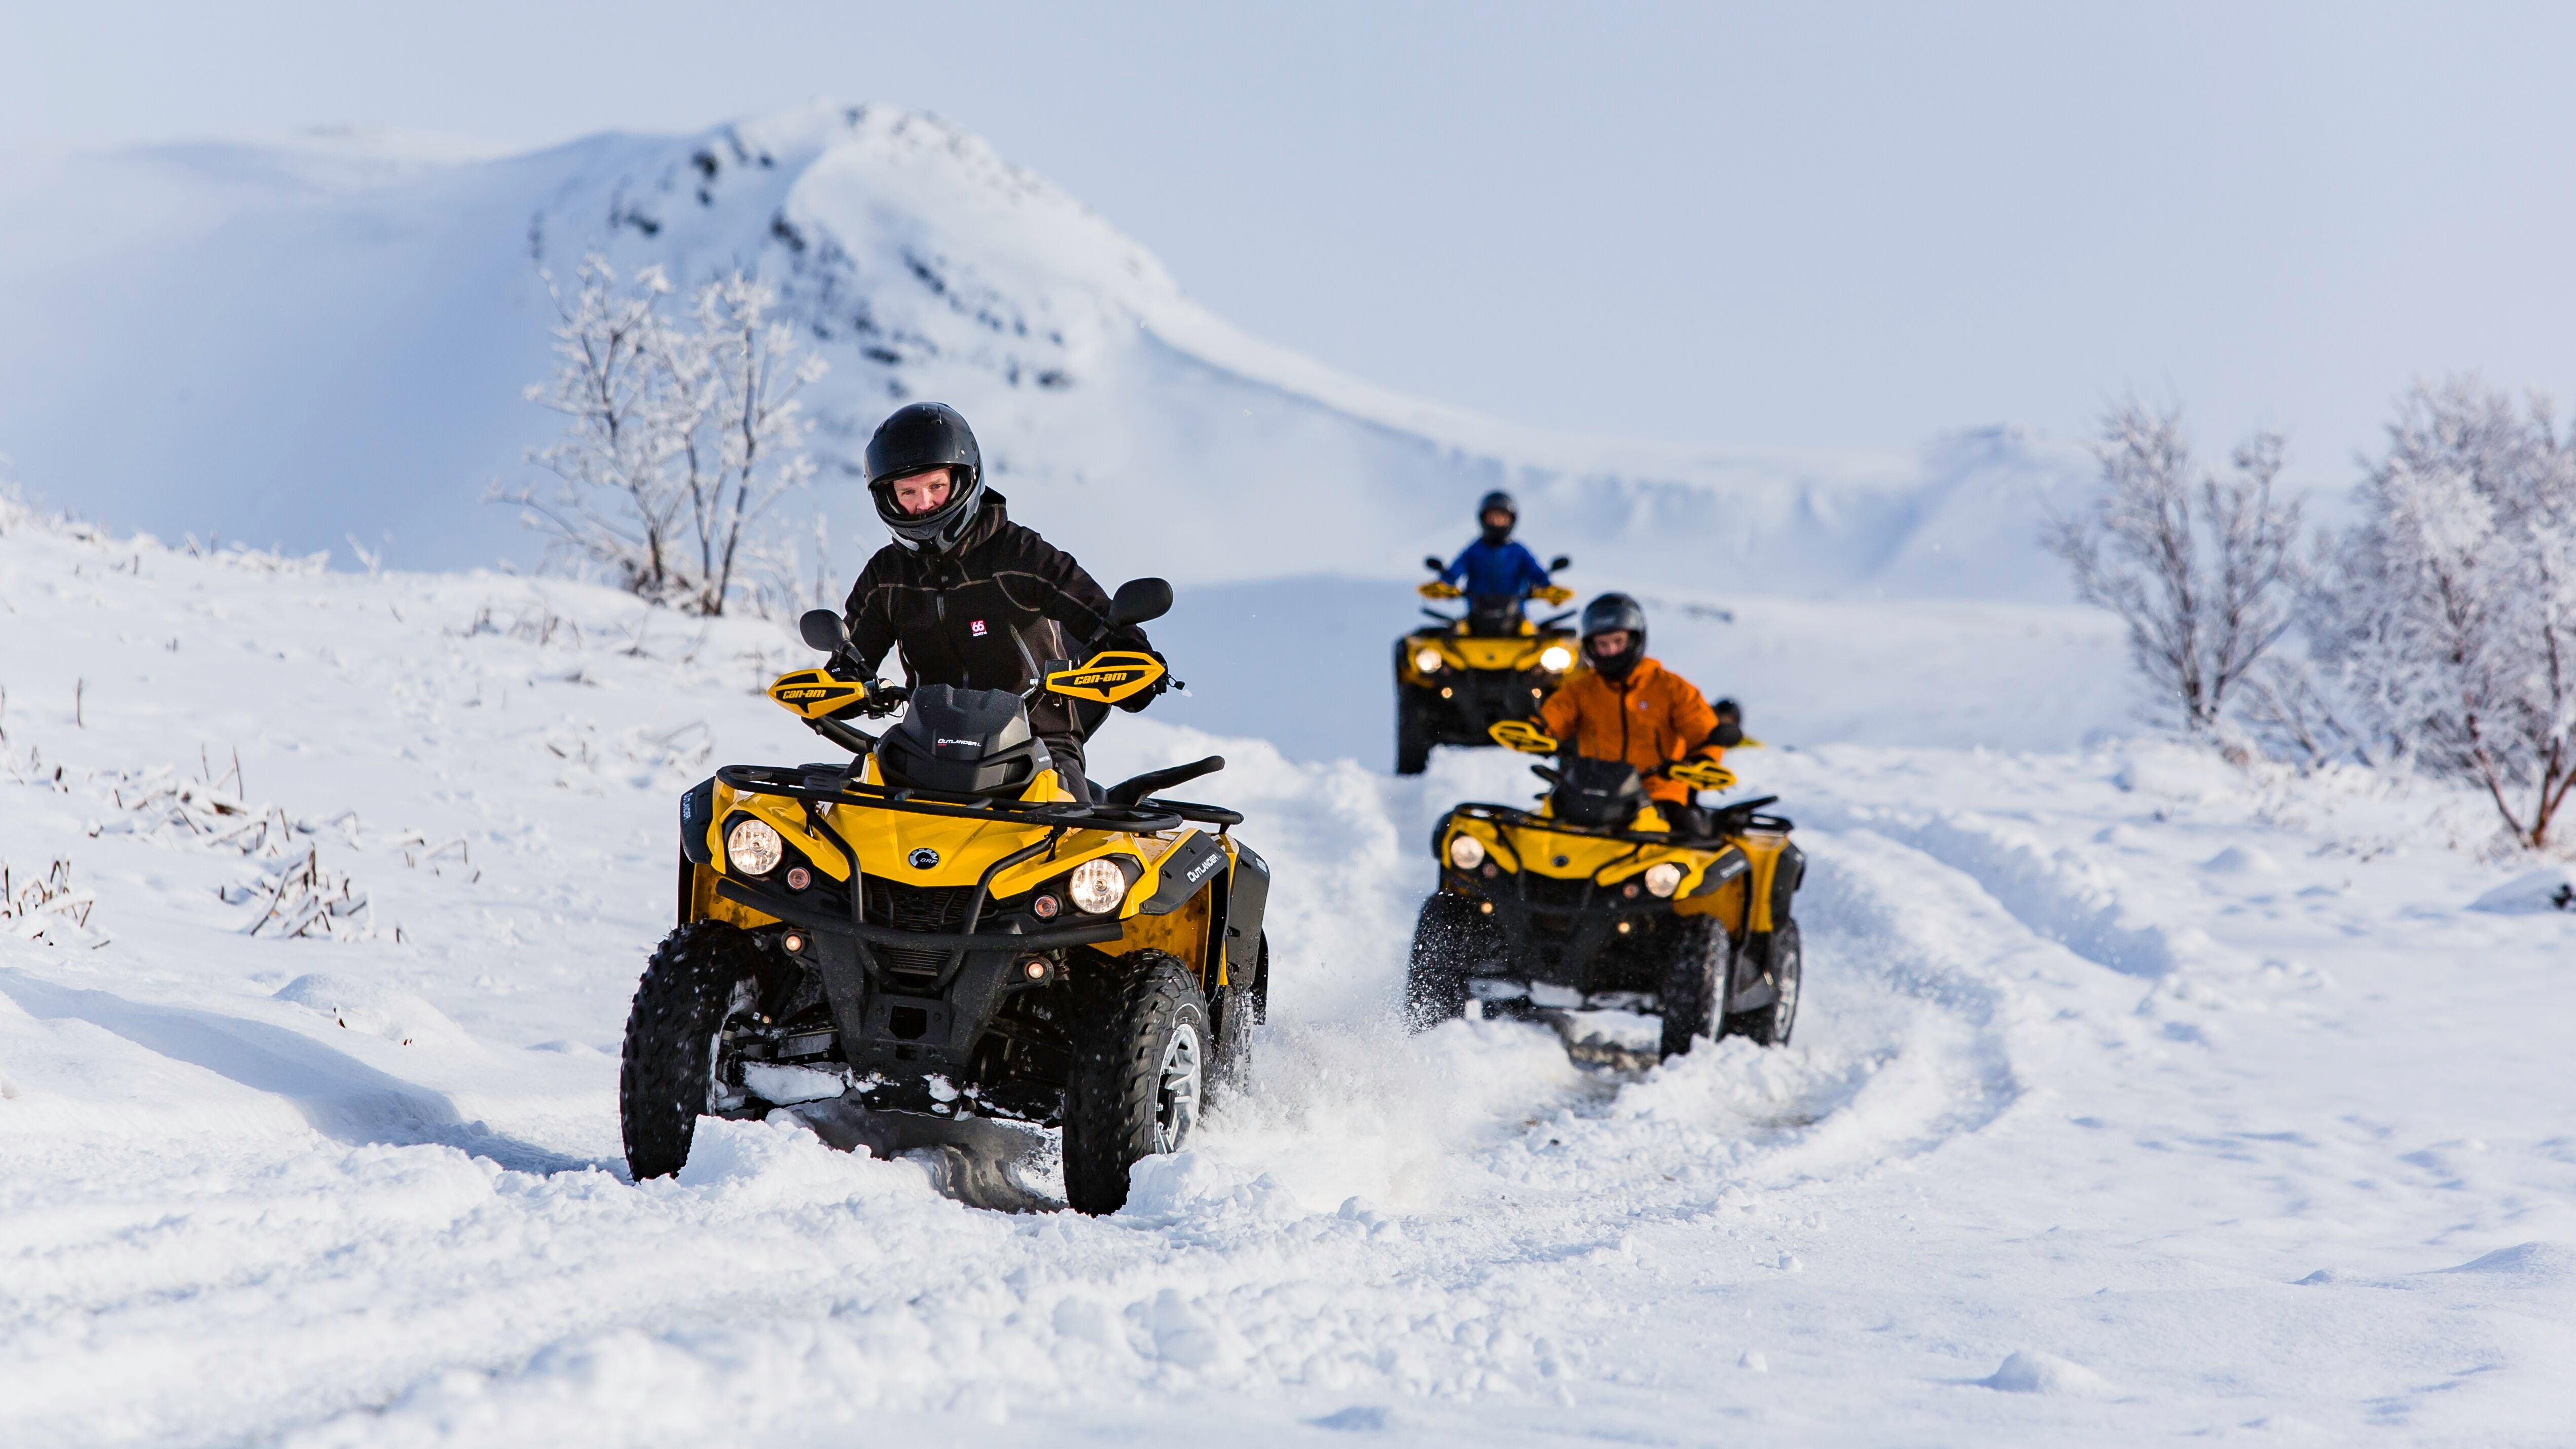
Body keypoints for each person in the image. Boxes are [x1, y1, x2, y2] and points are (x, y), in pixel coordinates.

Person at [839, 402, 1157, 801]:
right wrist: (842, 684)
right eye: (908, 492)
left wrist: (1135, 658)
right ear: (887, 498)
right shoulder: (887, 574)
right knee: (839, 809)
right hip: (923, 746)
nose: (923, 504)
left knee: (1073, 836)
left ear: (963, 480)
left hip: (1037, 744)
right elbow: (851, 659)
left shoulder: (1021, 556)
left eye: (935, 486)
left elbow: (1098, 616)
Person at [1535, 593, 1739, 830]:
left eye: (1618, 641)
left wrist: (1703, 759)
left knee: (1690, 843)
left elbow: (1704, 731)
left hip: (1658, 792)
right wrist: (1537, 730)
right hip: (1591, 792)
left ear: (1635, 639)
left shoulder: (1671, 688)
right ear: (1590, 646)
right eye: (1602, 644)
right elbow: (1554, 717)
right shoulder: (1580, 690)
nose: (1611, 651)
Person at [1438, 491, 1554, 632]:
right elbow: (1454, 571)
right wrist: (1443, 585)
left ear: (1511, 521)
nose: (1496, 523)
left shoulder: (1519, 551)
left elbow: (1537, 574)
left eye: (1501, 518)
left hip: (1516, 619)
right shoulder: (1474, 550)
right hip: (1475, 620)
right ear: (1484, 520)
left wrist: (1550, 589)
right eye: (1493, 518)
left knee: (1538, 638)